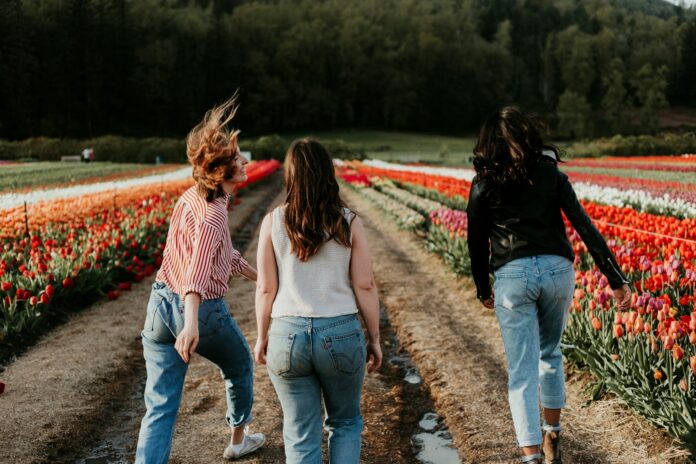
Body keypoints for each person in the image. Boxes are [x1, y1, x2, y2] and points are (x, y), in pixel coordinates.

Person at [466, 107, 631, 464]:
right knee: (550, 354)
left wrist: (483, 287)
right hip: (558, 271)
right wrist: (614, 278)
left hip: (513, 276)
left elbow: (476, 242)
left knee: (522, 371)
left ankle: (531, 458)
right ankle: (552, 435)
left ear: (488, 145)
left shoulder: (483, 184)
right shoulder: (550, 175)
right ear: (528, 136)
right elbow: (584, 226)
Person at [135, 98, 265, 463]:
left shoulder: (192, 198)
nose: (245, 162)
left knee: (159, 406)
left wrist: (263, 279)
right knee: (239, 364)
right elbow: (195, 273)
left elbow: (222, 256)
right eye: (238, 159)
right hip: (196, 310)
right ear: (222, 171)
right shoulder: (212, 216)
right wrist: (190, 324)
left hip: (159, 305)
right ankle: (238, 439)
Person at [254, 138, 382, 464]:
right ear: (329, 173)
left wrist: (262, 336)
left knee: (299, 431)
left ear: (290, 175)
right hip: (339, 330)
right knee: (345, 422)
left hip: (287, 333)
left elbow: (266, 288)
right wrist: (375, 338)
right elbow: (365, 285)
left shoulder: (273, 222)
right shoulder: (348, 222)